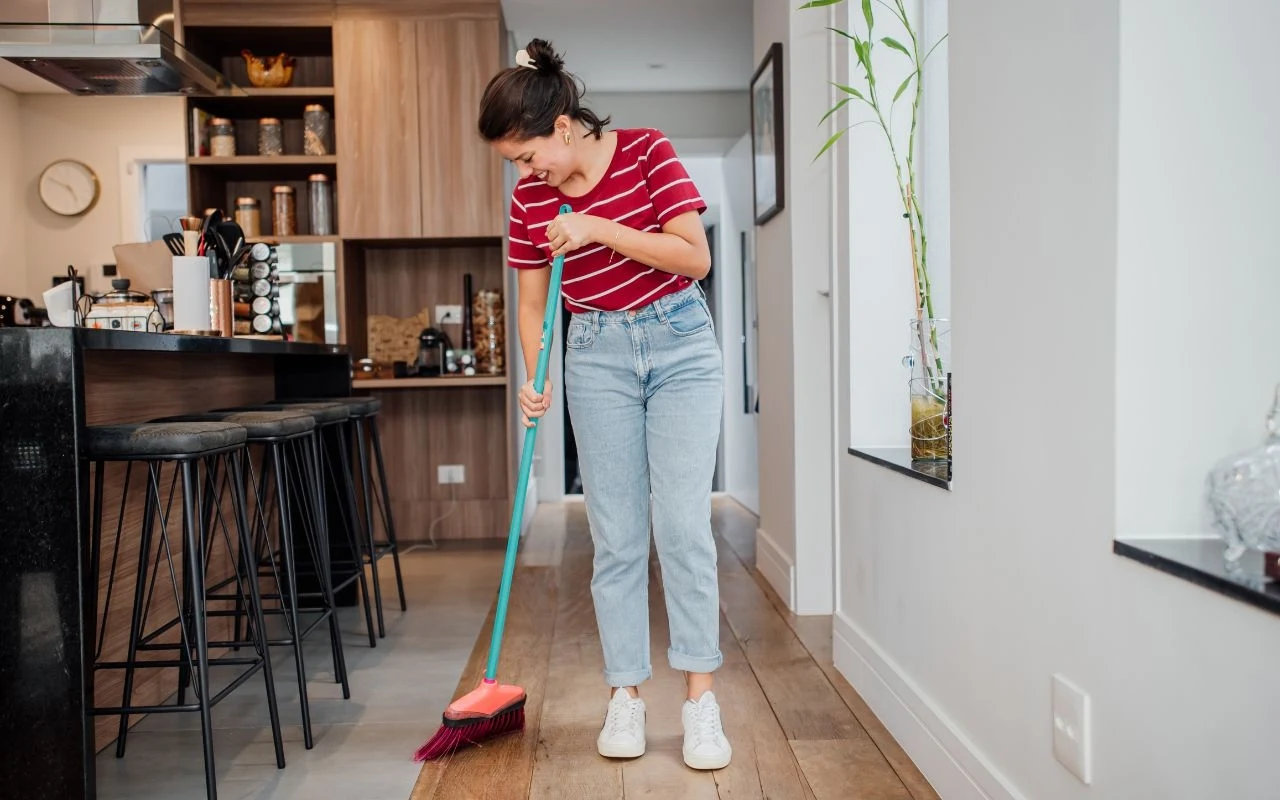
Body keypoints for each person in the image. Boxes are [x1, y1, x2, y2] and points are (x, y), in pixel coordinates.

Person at [476, 39, 731, 771]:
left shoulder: (649, 153)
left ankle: (699, 703)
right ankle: (625, 695)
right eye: (514, 166)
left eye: (527, 157)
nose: (526, 175)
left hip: (680, 343)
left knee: (682, 525)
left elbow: (694, 257)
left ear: (560, 126)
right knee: (616, 535)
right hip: (595, 355)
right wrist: (535, 373)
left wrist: (594, 228)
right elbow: (531, 303)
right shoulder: (530, 200)